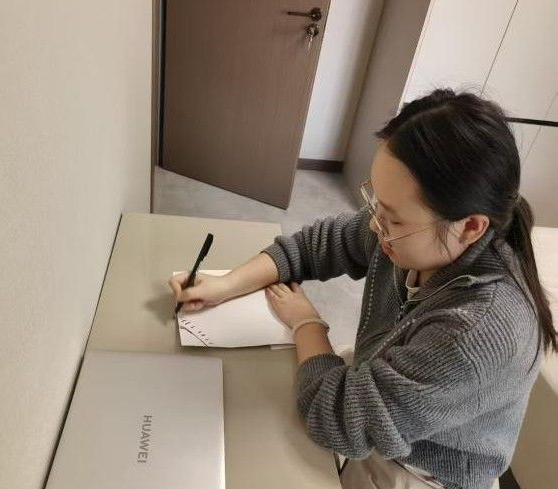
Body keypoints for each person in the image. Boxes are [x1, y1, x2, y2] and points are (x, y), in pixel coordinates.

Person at [167, 88, 556, 489]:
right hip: (383, 397)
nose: (374, 225)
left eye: (394, 219)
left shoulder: (476, 331)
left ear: (471, 226)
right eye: (376, 204)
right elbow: (319, 245)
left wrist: (306, 322)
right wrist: (225, 284)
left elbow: (337, 419)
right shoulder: (419, 235)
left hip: (420, 472)